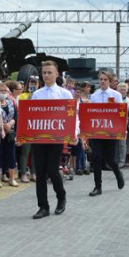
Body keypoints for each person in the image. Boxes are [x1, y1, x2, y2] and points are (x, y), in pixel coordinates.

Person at [30, 60, 76, 218]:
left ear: (57, 74)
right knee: (40, 173)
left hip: (56, 138)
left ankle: (61, 197)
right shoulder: (37, 94)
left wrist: (74, 133)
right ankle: (43, 207)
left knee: (53, 171)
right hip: (39, 139)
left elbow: (73, 116)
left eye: (50, 72)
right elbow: (31, 116)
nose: (47, 75)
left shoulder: (65, 94)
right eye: (44, 72)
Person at [87, 71, 125, 197]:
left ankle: (118, 174)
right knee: (97, 158)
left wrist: (122, 130)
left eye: (105, 79)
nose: (102, 81)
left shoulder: (116, 95)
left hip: (111, 132)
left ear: (109, 81)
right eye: (101, 79)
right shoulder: (94, 96)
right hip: (97, 131)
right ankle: (98, 186)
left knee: (111, 159)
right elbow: (91, 113)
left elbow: (121, 113)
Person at [0, 81, 19, 187]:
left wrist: (10, 123)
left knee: (11, 156)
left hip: (10, 132)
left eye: (5, 90)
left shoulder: (10, 101)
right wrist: (3, 125)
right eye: (1, 90)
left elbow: (15, 115)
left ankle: (11, 178)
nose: (4, 92)